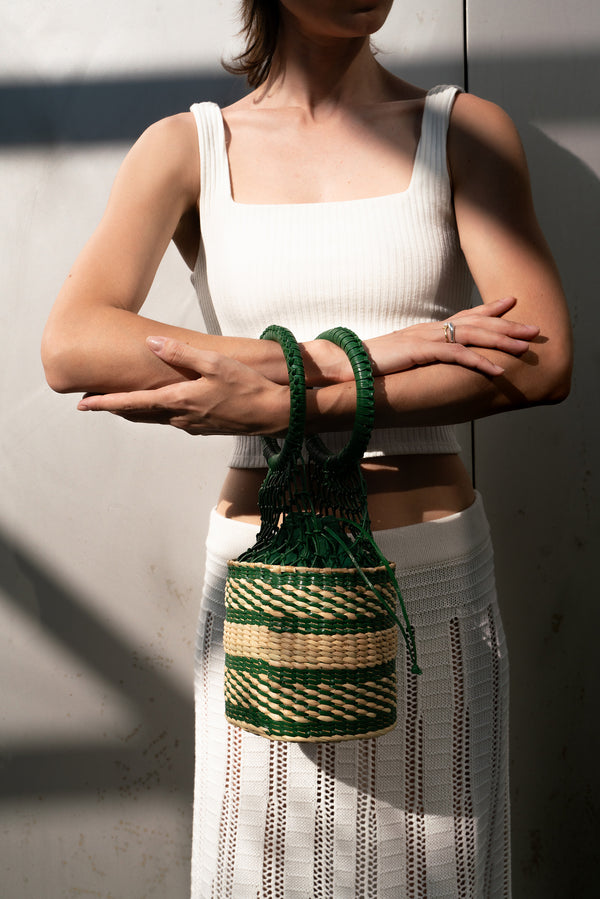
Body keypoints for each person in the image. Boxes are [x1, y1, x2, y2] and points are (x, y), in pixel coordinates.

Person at [41, 1, 572, 895]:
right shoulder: (187, 146)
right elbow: (74, 344)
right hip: (264, 588)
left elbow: (543, 357)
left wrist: (284, 396)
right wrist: (348, 360)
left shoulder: (461, 129)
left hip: (429, 585)